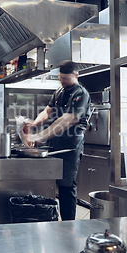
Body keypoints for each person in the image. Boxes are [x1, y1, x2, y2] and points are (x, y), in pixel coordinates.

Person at [22, 60, 91, 221]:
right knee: (51, 184)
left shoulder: (81, 94)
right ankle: (51, 220)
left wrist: (40, 136)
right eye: (60, 78)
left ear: (76, 75)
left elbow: (68, 120)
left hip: (70, 147)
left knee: (66, 186)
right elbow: (47, 111)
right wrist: (34, 123)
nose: (62, 81)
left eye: (65, 79)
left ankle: (68, 225)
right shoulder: (60, 91)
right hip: (55, 144)